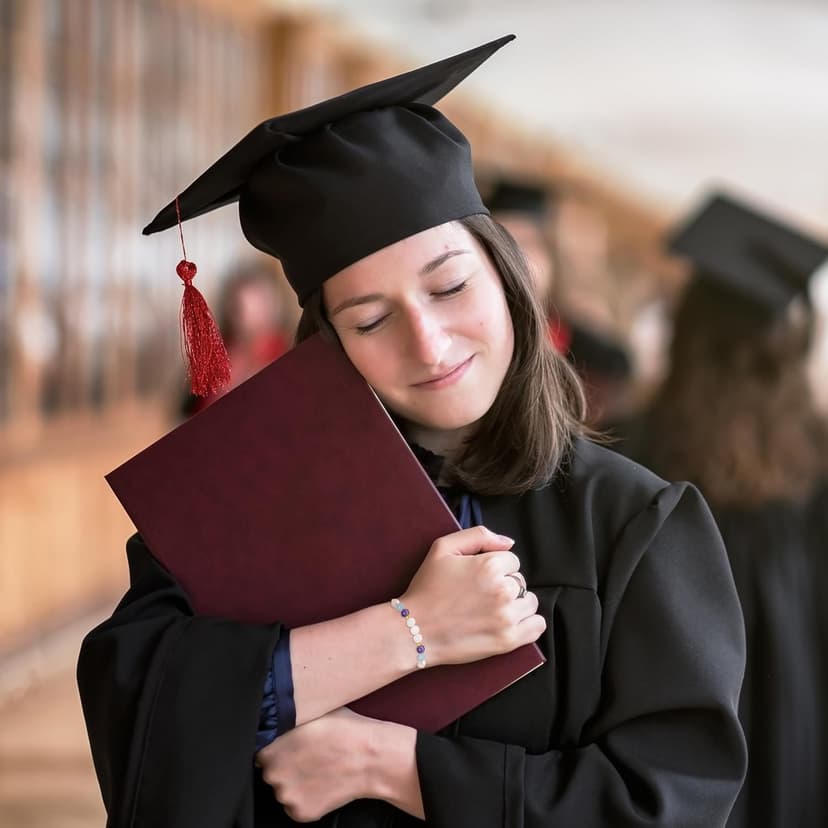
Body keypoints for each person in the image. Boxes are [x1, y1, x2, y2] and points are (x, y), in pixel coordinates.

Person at [77, 37, 747, 827]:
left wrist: (399, 768)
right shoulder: (246, 505)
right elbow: (141, 709)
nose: (428, 345)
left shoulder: (636, 526)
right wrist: (406, 633)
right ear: (329, 342)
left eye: (450, 286)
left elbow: (669, 801)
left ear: (509, 278)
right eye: (370, 320)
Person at [624, 192, 828, 828]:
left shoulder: (629, 453)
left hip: (665, 716)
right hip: (794, 722)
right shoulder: (815, 460)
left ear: (687, 333)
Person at [180, 259, 294, 417]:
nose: (250, 318)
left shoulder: (289, 356)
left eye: (258, 308)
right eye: (241, 308)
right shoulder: (212, 361)